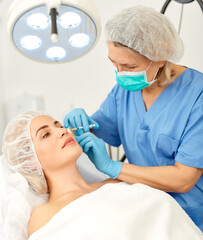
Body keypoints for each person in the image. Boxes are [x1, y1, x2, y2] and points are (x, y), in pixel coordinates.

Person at [63, 6, 203, 231]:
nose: (120, 75)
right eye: (114, 64)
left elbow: (184, 178)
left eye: (130, 66)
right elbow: (100, 129)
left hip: (190, 219)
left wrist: (112, 167)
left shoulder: (198, 95)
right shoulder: (125, 91)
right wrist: (80, 125)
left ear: (160, 57)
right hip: (143, 208)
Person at [2, 111, 202, 240]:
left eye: (58, 125)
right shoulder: (43, 215)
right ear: (29, 160)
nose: (61, 131)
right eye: (45, 135)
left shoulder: (117, 182)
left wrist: (112, 167)